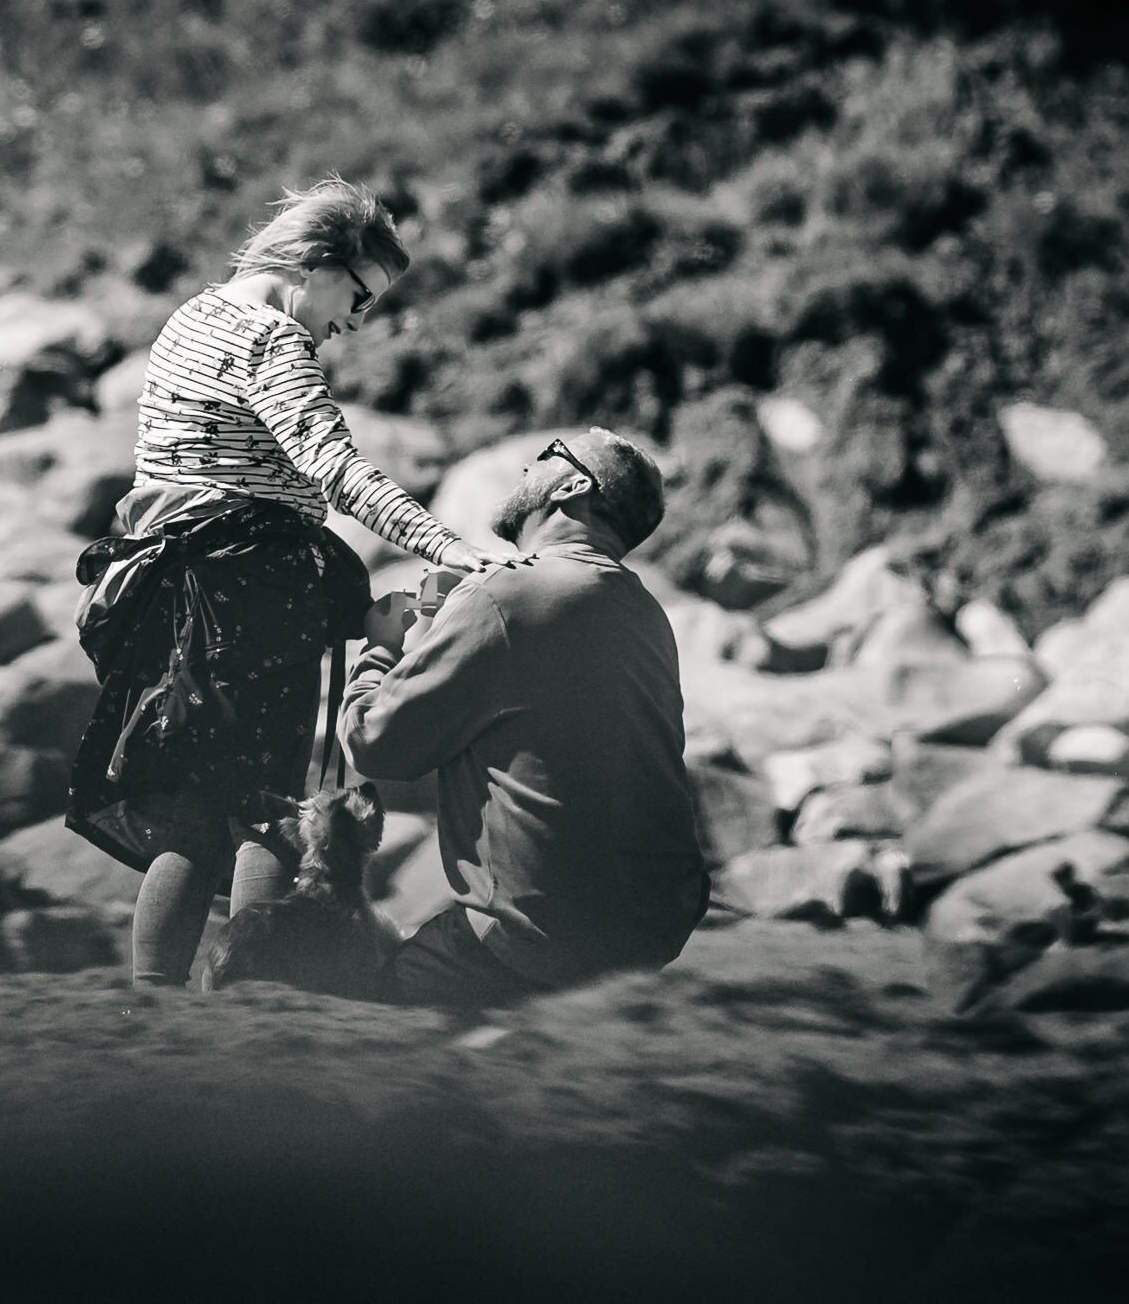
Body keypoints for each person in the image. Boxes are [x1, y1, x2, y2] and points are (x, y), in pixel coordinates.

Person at [69, 177, 518, 988]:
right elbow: (336, 472)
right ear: (316, 263)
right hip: (251, 595)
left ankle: (148, 1013)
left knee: (192, 812)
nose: (354, 321)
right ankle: (263, 1004)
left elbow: (154, 471)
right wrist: (448, 545)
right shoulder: (272, 341)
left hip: (171, 592)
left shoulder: (190, 317)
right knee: (273, 815)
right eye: (357, 295)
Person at [338, 428, 709, 1007]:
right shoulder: (644, 609)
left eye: (543, 456)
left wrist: (381, 644)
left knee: (355, 1001)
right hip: (651, 934)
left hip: (534, 939)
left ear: (574, 486)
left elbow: (375, 744)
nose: (524, 467)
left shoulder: (504, 594)